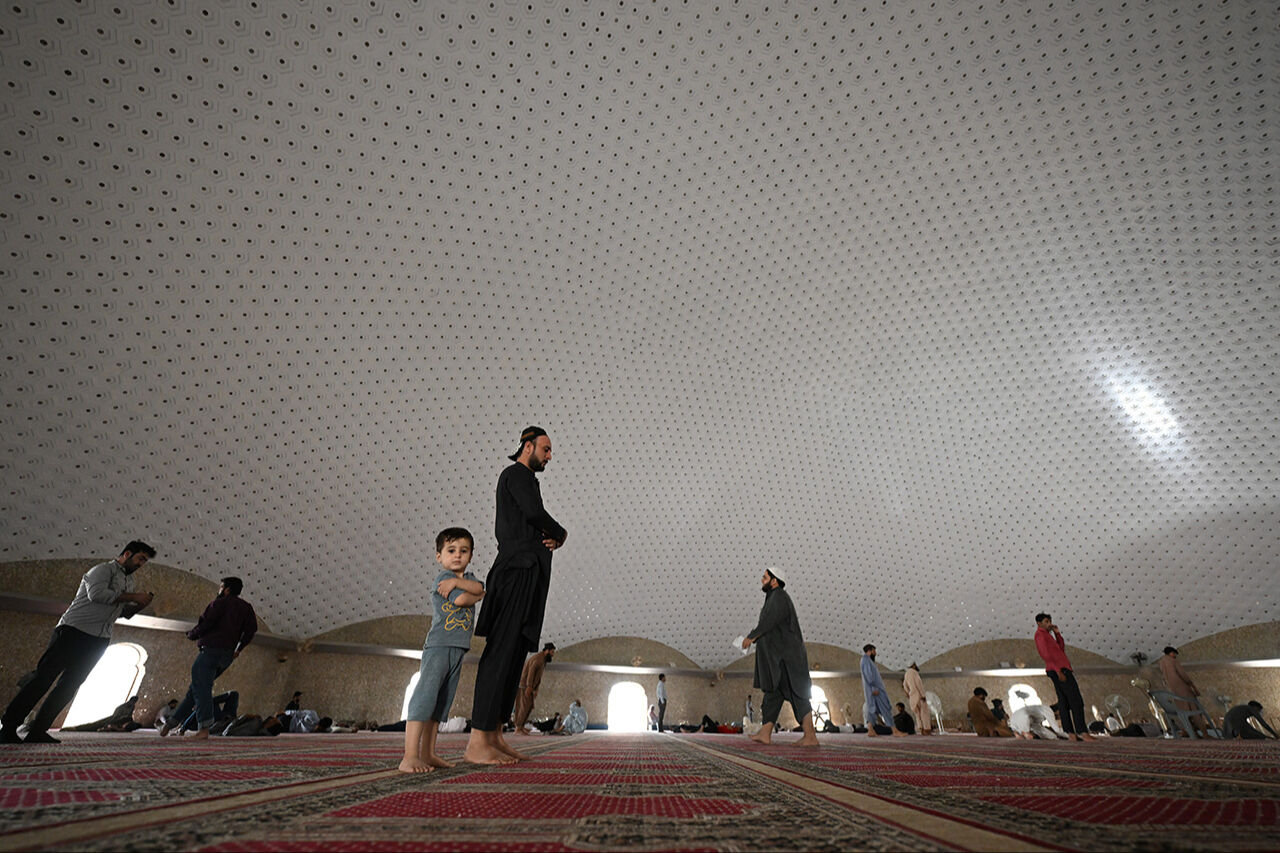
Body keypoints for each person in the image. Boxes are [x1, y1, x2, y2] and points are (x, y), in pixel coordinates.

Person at [465, 427, 567, 765]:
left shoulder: (528, 481)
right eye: (545, 449)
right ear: (527, 446)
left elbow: (532, 520)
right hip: (515, 573)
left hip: (528, 574)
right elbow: (534, 514)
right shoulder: (516, 475)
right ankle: (477, 740)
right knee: (501, 652)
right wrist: (560, 533)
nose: (549, 456)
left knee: (514, 655)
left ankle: (495, 735)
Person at [1, 541, 156, 744]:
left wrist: (139, 605)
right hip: (72, 632)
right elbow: (97, 595)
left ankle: (38, 730)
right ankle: (8, 728)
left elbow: (121, 612)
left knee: (69, 686)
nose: (141, 564)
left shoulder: (129, 582)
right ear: (127, 554)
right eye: (140, 558)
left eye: (144, 561)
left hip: (98, 639)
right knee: (43, 679)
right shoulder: (102, 570)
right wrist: (134, 596)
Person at [399, 528, 485, 773]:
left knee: (440, 704)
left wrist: (463, 584)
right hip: (439, 646)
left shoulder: (466, 579)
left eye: (463, 550)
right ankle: (409, 756)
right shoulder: (443, 579)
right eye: (451, 550)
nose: (457, 555)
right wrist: (477, 594)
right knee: (425, 698)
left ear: (471, 555)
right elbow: (462, 600)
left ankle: (428, 753)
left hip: (458, 649)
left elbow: (479, 586)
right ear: (439, 556)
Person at [163, 576, 257, 740]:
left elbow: (205, 624)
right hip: (227, 656)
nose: (219, 590)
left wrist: (191, 635)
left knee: (202, 690)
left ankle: (203, 729)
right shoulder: (246, 608)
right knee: (195, 690)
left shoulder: (219, 604)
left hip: (211, 651)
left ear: (227, 589)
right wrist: (239, 649)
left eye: (221, 587)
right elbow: (251, 630)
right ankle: (170, 723)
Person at [740, 567, 818, 746]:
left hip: (787, 660)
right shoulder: (773, 598)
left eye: (765, 577)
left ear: (774, 581)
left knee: (797, 694)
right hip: (779, 660)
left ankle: (810, 736)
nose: (762, 580)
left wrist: (751, 637)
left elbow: (768, 622)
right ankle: (765, 733)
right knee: (773, 694)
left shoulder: (779, 597)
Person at [1033, 613, 1094, 742]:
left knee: (1064, 702)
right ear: (1039, 623)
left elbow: (1061, 649)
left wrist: (1057, 634)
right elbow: (1045, 654)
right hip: (1059, 670)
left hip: (1059, 669)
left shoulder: (1048, 635)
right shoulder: (1040, 635)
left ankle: (1070, 733)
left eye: (1050, 621)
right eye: (1046, 622)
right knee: (1076, 700)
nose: (1049, 624)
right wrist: (1058, 670)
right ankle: (1082, 732)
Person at [1157, 646, 1207, 737]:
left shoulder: (1161, 663)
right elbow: (1183, 675)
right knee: (1194, 710)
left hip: (1174, 691)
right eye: (1174, 653)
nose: (1175, 655)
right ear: (1171, 653)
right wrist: (1192, 685)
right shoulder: (1173, 661)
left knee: (1183, 712)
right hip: (1183, 689)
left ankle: (1188, 731)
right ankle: (1205, 733)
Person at [861, 644, 908, 737]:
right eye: (874, 651)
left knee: (872, 710)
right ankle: (894, 731)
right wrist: (874, 688)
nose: (875, 653)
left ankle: (870, 730)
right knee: (885, 709)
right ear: (870, 651)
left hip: (874, 691)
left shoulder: (868, 661)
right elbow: (869, 676)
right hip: (876, 691)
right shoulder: (865, 660)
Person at [513, 643, 557, 735]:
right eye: (552, 652)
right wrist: (529, 686)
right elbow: (531, 673)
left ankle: (521, 726)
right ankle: (518, 728)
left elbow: (538, 677)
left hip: (529, 687)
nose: (553, 654)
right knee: (524, 707)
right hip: (525, 686)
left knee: (528, 706)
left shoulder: (543, 659)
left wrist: (535, 689)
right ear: (547, 651)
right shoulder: (538, 659)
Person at [902, 662, 931, 735]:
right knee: (924, 713)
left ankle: (921, 729)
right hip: (919, 695)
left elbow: (904, 686)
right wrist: (923, 695)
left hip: (912, 697)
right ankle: (926, 730)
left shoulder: (906, 674)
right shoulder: (914, 673)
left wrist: (908, 694)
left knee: (917, 714)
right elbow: (919, 684)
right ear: (914, 665)